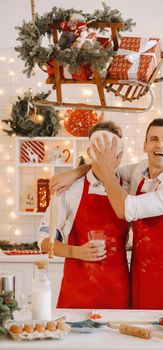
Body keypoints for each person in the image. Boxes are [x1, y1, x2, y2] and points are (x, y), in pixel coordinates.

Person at [50, 118, 163, 310]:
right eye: (154, 139)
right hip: (140, 280)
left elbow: (125, 208)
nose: (160, 144)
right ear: (145, 145)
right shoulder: (138, 171)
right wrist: (74, 172)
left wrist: (101, 168)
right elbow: (102, 168)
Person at [38, 121, 130, 309]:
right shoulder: (70, 189)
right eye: (99, 150)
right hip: (77, 295)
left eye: (110, 151)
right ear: (89, 153)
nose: (104, 157)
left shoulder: (130, 189)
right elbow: (45, 242)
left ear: (120, 157)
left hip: (118, 293)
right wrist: (76, 251)